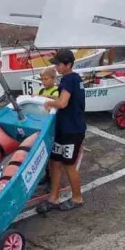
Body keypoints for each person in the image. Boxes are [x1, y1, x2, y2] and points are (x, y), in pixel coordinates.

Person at [37, 49, 86, 212]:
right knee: (55, 162)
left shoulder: (67, 80)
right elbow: (66, 100)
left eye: (59, 64)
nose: (56, 67)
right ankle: (54, 198)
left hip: (71, 130)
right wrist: (51, 99)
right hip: (66, 128)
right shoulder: (75, 78)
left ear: (68, 64)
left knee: (68, 164)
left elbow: (63, 103)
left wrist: (50, 103)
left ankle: (77, 198)